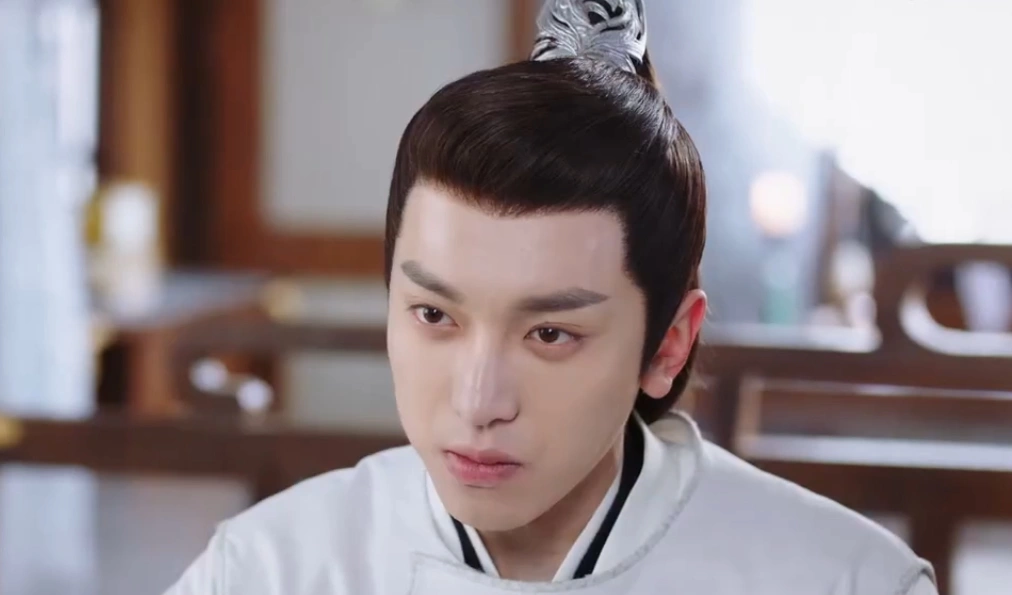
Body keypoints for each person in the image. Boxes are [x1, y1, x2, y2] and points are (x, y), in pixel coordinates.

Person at [165, 1, 937, 593]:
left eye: (550, 334)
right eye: (435, 315)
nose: (478, 401)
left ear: (667, 344)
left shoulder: (842, 579)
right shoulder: (271, 566)